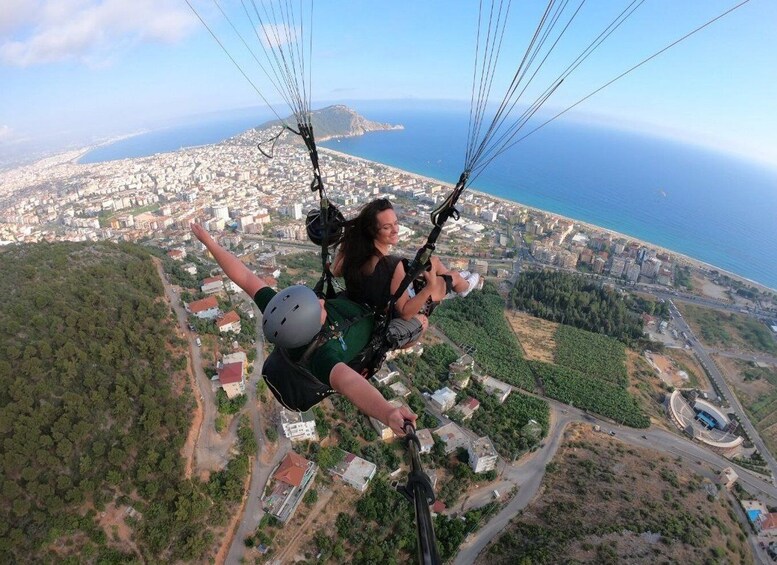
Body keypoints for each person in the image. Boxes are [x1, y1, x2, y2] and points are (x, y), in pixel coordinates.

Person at [191, 223, 416, 435]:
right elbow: (351, 384)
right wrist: (388, 413)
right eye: (318, 308)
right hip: (380, 331)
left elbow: (245, 277)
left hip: (357, 308)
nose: (321, 301)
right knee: (420, 323)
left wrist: (209, 242)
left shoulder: (282, 312)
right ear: (310, 328)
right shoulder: (321, 359)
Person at [332, 198, 479, 327]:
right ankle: (466, 286)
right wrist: (430, 286)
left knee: (434, 261)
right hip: (392, 310)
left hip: (373, 299)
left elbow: (336, 271)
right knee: (452, 277)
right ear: (372, 231)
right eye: (386, 227)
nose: (395, 230)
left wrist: (347, 242)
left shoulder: (356, 253)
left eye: (395, 223)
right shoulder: (391, 265)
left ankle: (462, 280)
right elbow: (405, 313)